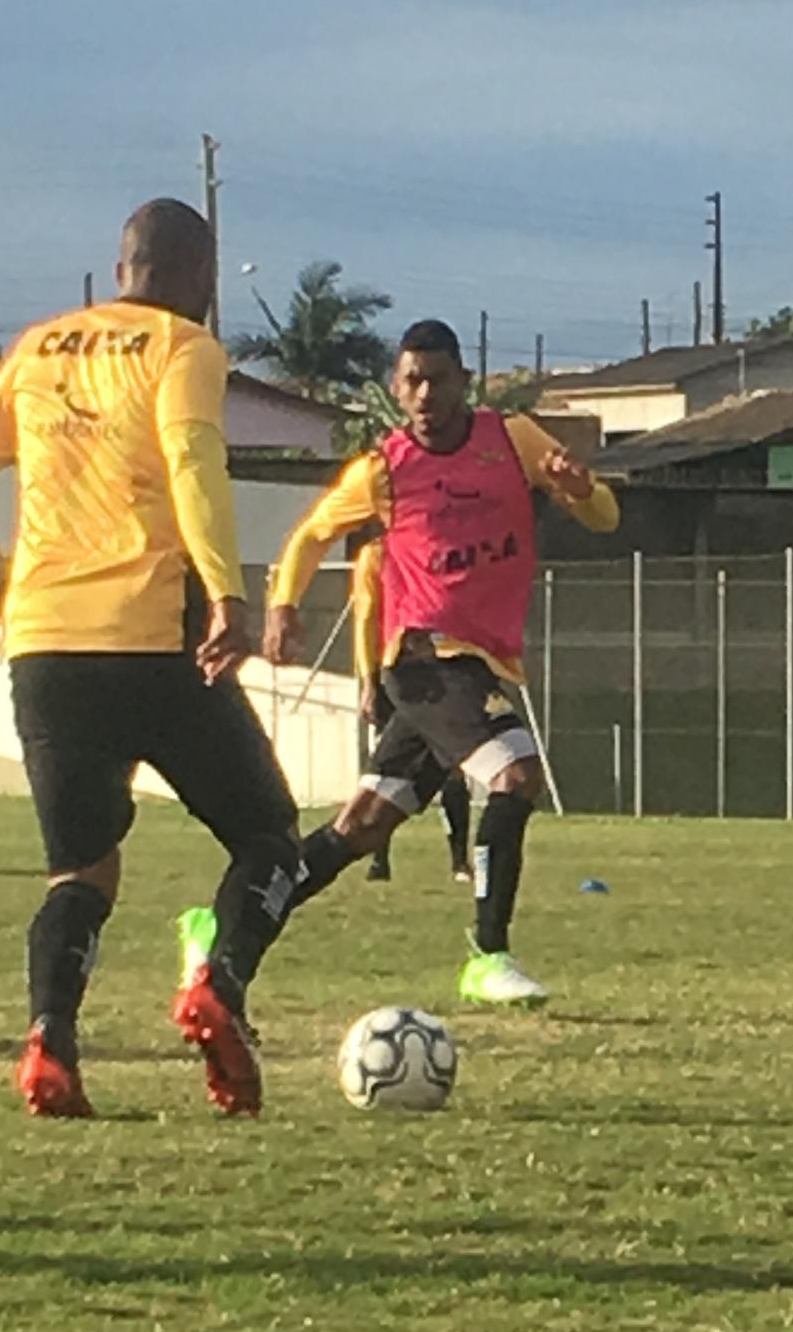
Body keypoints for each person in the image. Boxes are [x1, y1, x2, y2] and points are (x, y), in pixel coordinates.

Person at [0, 198, 302, 1119]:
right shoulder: (183, 347)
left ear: (121, 265)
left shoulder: (40, 347)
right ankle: (218, 985)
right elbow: (191, 461)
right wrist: (227, 592)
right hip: (149, 635)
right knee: (269, 836)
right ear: (200, 276)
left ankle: (50, 1045)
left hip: (45, 647)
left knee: (82, 874)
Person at [195, 319, 618, 1009]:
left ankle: (219, 930)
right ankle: (488, 957)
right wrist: (283, 606)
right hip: (426, 660)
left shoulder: (513, 440)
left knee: (360, 827)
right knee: (515, 774)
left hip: (477, 663)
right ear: (396, 387)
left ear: (464, 382)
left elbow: (606, 517)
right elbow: (310, 535)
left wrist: (580, 490)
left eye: (437, 380)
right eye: (412, 381)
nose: (425, 394)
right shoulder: (384, 470)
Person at [345, 536, 474, 887]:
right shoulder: (375, 556)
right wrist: (368, 683)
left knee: (452, 767)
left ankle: (459, 861)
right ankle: (379, 860)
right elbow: (365, 621)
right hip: (395, 675)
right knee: (388, 770)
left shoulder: (439, 551)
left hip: (438, 672)